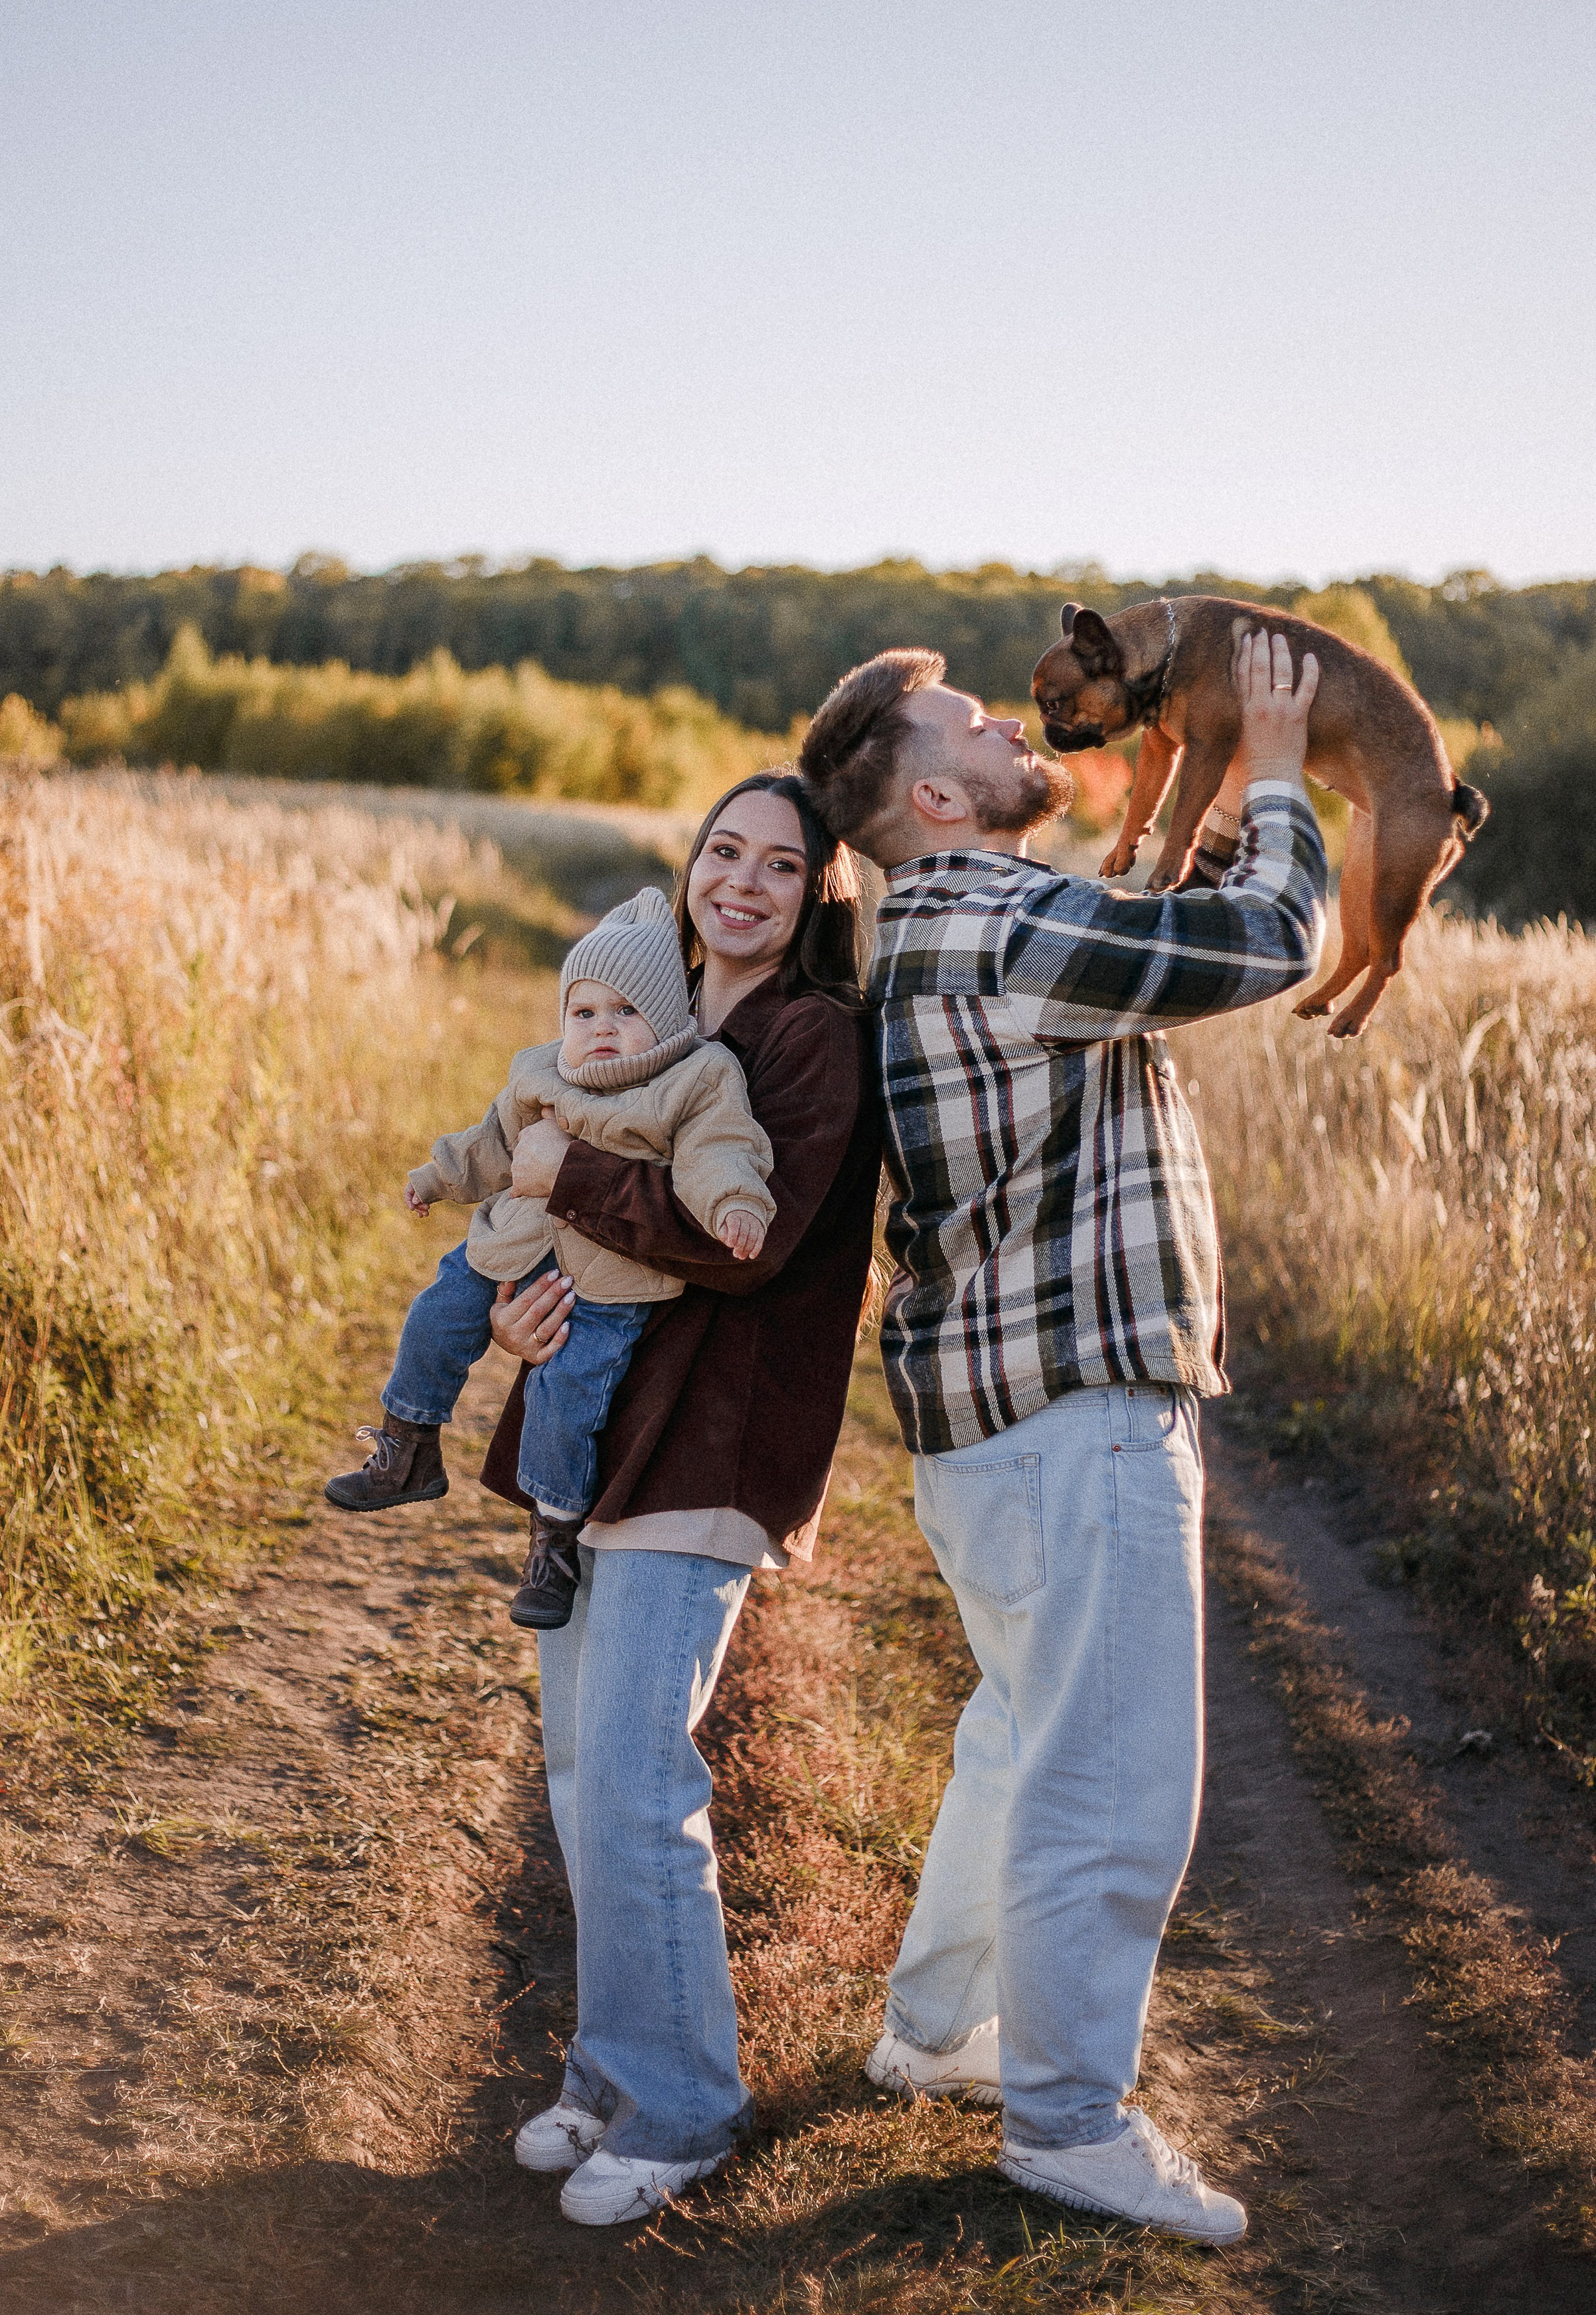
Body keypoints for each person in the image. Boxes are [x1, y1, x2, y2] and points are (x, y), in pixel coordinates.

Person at [799, 628, 1326, 2246]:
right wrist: (1288, 764)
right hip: (1076, 1412)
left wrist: (1173, 804)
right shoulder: (996, 916)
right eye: (969, 718)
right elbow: (1260, 941)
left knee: (1020, 1739)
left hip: (989, 1429)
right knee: (1105, 1779)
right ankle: (1066, 2121)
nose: (1012, 722)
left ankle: (939, 2027)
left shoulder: (935, 922)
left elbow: (1138, 924)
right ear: (939, 791)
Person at [476, 771, 880, 2227]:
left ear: (819, 895)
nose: (746, 883)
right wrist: (519, 1311)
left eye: (784, 865)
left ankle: (687, 2107)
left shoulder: (811, 1043)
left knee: (641, 1779)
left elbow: (742, 1250)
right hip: (597, 1446)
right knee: (583, 1775)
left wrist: (568, 1170)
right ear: (690, 866)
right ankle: (608, 2069)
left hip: (713, 1447)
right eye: (725, 851)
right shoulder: (635, 1018)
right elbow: (547, 1223)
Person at [323, 888, 775, 1632]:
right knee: (436, 1314)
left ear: (666, 1016)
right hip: (510, 1246)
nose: (602, 1028)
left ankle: (553, 1540)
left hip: (608, 1283)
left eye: (626, 1012)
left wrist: (736, 1206)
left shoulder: (697, 1079)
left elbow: (718, 1152)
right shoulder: (541, 1072)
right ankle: (406, 1446)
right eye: (584, 1012)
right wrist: (437, 1178)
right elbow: (491, 1145)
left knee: (566, 1400)